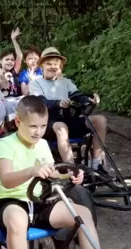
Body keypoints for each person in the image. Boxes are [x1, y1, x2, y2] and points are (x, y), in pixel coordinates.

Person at [0, 95, 131, 249]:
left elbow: (52, 173)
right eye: (33, 126)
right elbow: (6, 179)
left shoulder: (43, 144)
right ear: (18, 122)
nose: (38, 131)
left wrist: (70, 175)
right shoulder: (5, 144)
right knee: (18, 219)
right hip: (9, 201)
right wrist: (31, 170)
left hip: (39, 200)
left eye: (43, 126)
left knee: (81, 213)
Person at [29, 47, 110, 177]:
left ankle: (96, 164)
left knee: (100, 120)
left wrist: (90, 99)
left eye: (56, 64)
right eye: (49, 64)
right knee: (61, 127)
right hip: (47, 124)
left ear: (60, 66)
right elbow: (41, 101)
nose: (52, 67)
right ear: (42, 65)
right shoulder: (35, 83)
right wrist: (58, 103)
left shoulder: (66, 82)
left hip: (67, 120)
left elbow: (78, 96)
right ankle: (73, 171)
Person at [0, 28, 23, 98]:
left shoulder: (14, 72)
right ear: (0, 61)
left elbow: (19, 56)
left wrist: (14, 40)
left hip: (15, 101)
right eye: (7, 59)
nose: (10, 62)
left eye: (12, 60)